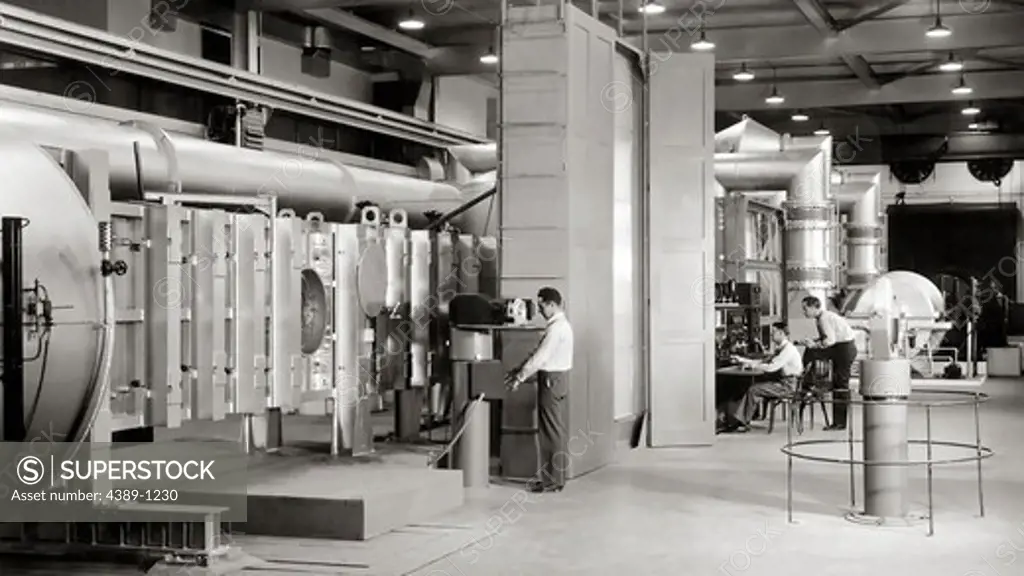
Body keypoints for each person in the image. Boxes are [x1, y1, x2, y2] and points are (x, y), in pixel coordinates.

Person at [506, 287, 574, 493]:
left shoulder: (555, 329)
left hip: (550, 382)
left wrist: (520, 376)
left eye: (542, 305)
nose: (540, 310)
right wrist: (521, 369)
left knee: (549, 432)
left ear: (552, 305)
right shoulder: (563, 326)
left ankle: (551, 480)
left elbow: (541, 358)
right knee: (555, 430)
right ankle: (556, 477)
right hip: (558, 380)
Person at [720, 322, 803, 434]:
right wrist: (743, 361)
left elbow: (771, 367)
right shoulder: (782, 348)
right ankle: (741, 418)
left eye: (773, 332)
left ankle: (742, 422)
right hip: (785, 382)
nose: (771, 335)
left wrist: (753, 365)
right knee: (751, 386)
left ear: (781, 333)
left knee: (754, 389)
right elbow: (764, 361)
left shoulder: (788, 350)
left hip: (787, 386)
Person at [800, 295, 857, 431]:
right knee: (812, 351)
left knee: (840, 384)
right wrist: (814, 342)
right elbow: (826, 338)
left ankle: (839, 423)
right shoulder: (821, 318)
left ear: (815, 307)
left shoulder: (824, 318)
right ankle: (808, 380)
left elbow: (830, 340)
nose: (804, 312)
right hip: (841, 347)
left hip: (843, 349)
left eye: (805, 308)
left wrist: (815, 344)